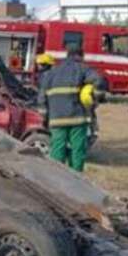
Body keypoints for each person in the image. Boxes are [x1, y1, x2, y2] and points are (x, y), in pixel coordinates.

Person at [38, 35, 104, 172]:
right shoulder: (82, 69)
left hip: (56, 119)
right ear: (81, 56)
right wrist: (95, 99)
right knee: (77, 150)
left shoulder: (51, 73)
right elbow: (99, 80)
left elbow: (41, 98)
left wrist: (44, 118)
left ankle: (57, 180)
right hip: (77, 118)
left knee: (57, 150)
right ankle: (76, 182)